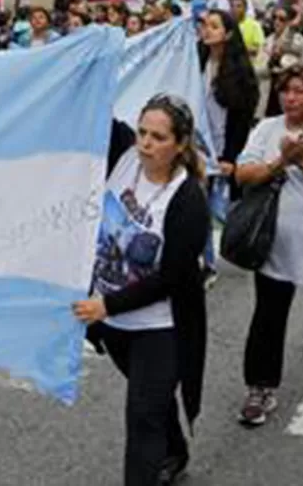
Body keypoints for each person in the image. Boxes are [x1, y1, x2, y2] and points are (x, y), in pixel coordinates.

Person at [72, 95, 209, 486]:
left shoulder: (188, 201)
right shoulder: (124, 155)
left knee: (142, 415)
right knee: (152, 399)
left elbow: (171, 278)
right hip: (114, 323)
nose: (146, 144)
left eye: (158, 137)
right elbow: (92, 106)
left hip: (158, 326)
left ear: (180, 145)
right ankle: (175, 452)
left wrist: (106, 304)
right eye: (143, 133)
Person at [233, 66, 303, 427]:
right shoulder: (267, 128)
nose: (290, 98)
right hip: (273, 244)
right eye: (285, 91)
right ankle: (260, 387)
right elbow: (242, 173)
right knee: (267, 318)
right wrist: (280, 161)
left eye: (298, 91)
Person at [198, 9, 258, 284]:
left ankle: (211, 263)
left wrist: (230, 157)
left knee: (214, 210)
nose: (206, 30)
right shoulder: (195, 61)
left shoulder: (239, 74)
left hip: (221, 150)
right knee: (194, 206)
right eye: (204, 25)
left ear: (228, 34)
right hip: (194, 148)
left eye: (214, 26)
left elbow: (241, 121)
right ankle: (198, 258)